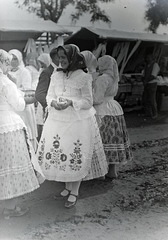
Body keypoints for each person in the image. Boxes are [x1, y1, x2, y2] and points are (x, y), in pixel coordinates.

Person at [36, 45, 108, 208]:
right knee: (62, 153)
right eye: (59, 58)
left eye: (64, 58)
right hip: (57, 120)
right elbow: (49, 95)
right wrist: (53, 102)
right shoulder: (56, 75)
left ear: (73, 58)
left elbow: (88, 101)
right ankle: (67, 187)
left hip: (77, 120)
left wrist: (71, 102)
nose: (61, 61)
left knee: (75, 153)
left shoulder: (84, 76)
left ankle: (74, 191)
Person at [0, 49, 41, 220]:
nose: (8, 66)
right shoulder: (5, 81)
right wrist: (25, 98)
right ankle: (10, 208)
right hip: (8, 125)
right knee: (10, 166)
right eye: (7, 62)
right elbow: (18, 105)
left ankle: (5, 204)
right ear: (2, 62)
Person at [93, 55, 133, 179]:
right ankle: (112, 170)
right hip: (114, 109)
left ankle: (100, 172)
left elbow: (98, 98)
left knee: (102, 140)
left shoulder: (102, 79)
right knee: (113, 139)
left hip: (102, 110)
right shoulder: (114, 78)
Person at [8, 49, 38, 151]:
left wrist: (12, 90)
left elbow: (27, 89)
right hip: (11, 106)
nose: (12, 61)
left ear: (20, 59)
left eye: (15, 59)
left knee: (26, 132)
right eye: (11, 58)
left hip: (23, 104)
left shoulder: (25, 72)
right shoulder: (6, 71)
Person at [36, 53, 51, 141]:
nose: (41, 65)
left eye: (42, 63)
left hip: (46, 98)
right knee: (40, 121)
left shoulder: (49, 72)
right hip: (40, 98)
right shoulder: (42, 71)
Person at [142, 53, 160, 119]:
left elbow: (153, 76)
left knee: (152, 99)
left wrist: (146, 81)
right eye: (146, 58)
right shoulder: (146, 65)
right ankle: (148, 112)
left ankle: (155, 113)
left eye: (148, 58)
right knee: (145, 99)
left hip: (152, 84)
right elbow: (143, 74)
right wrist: (143, 80)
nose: (147, 59)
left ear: (152, 58)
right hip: (147, 84)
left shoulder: (155, 65)